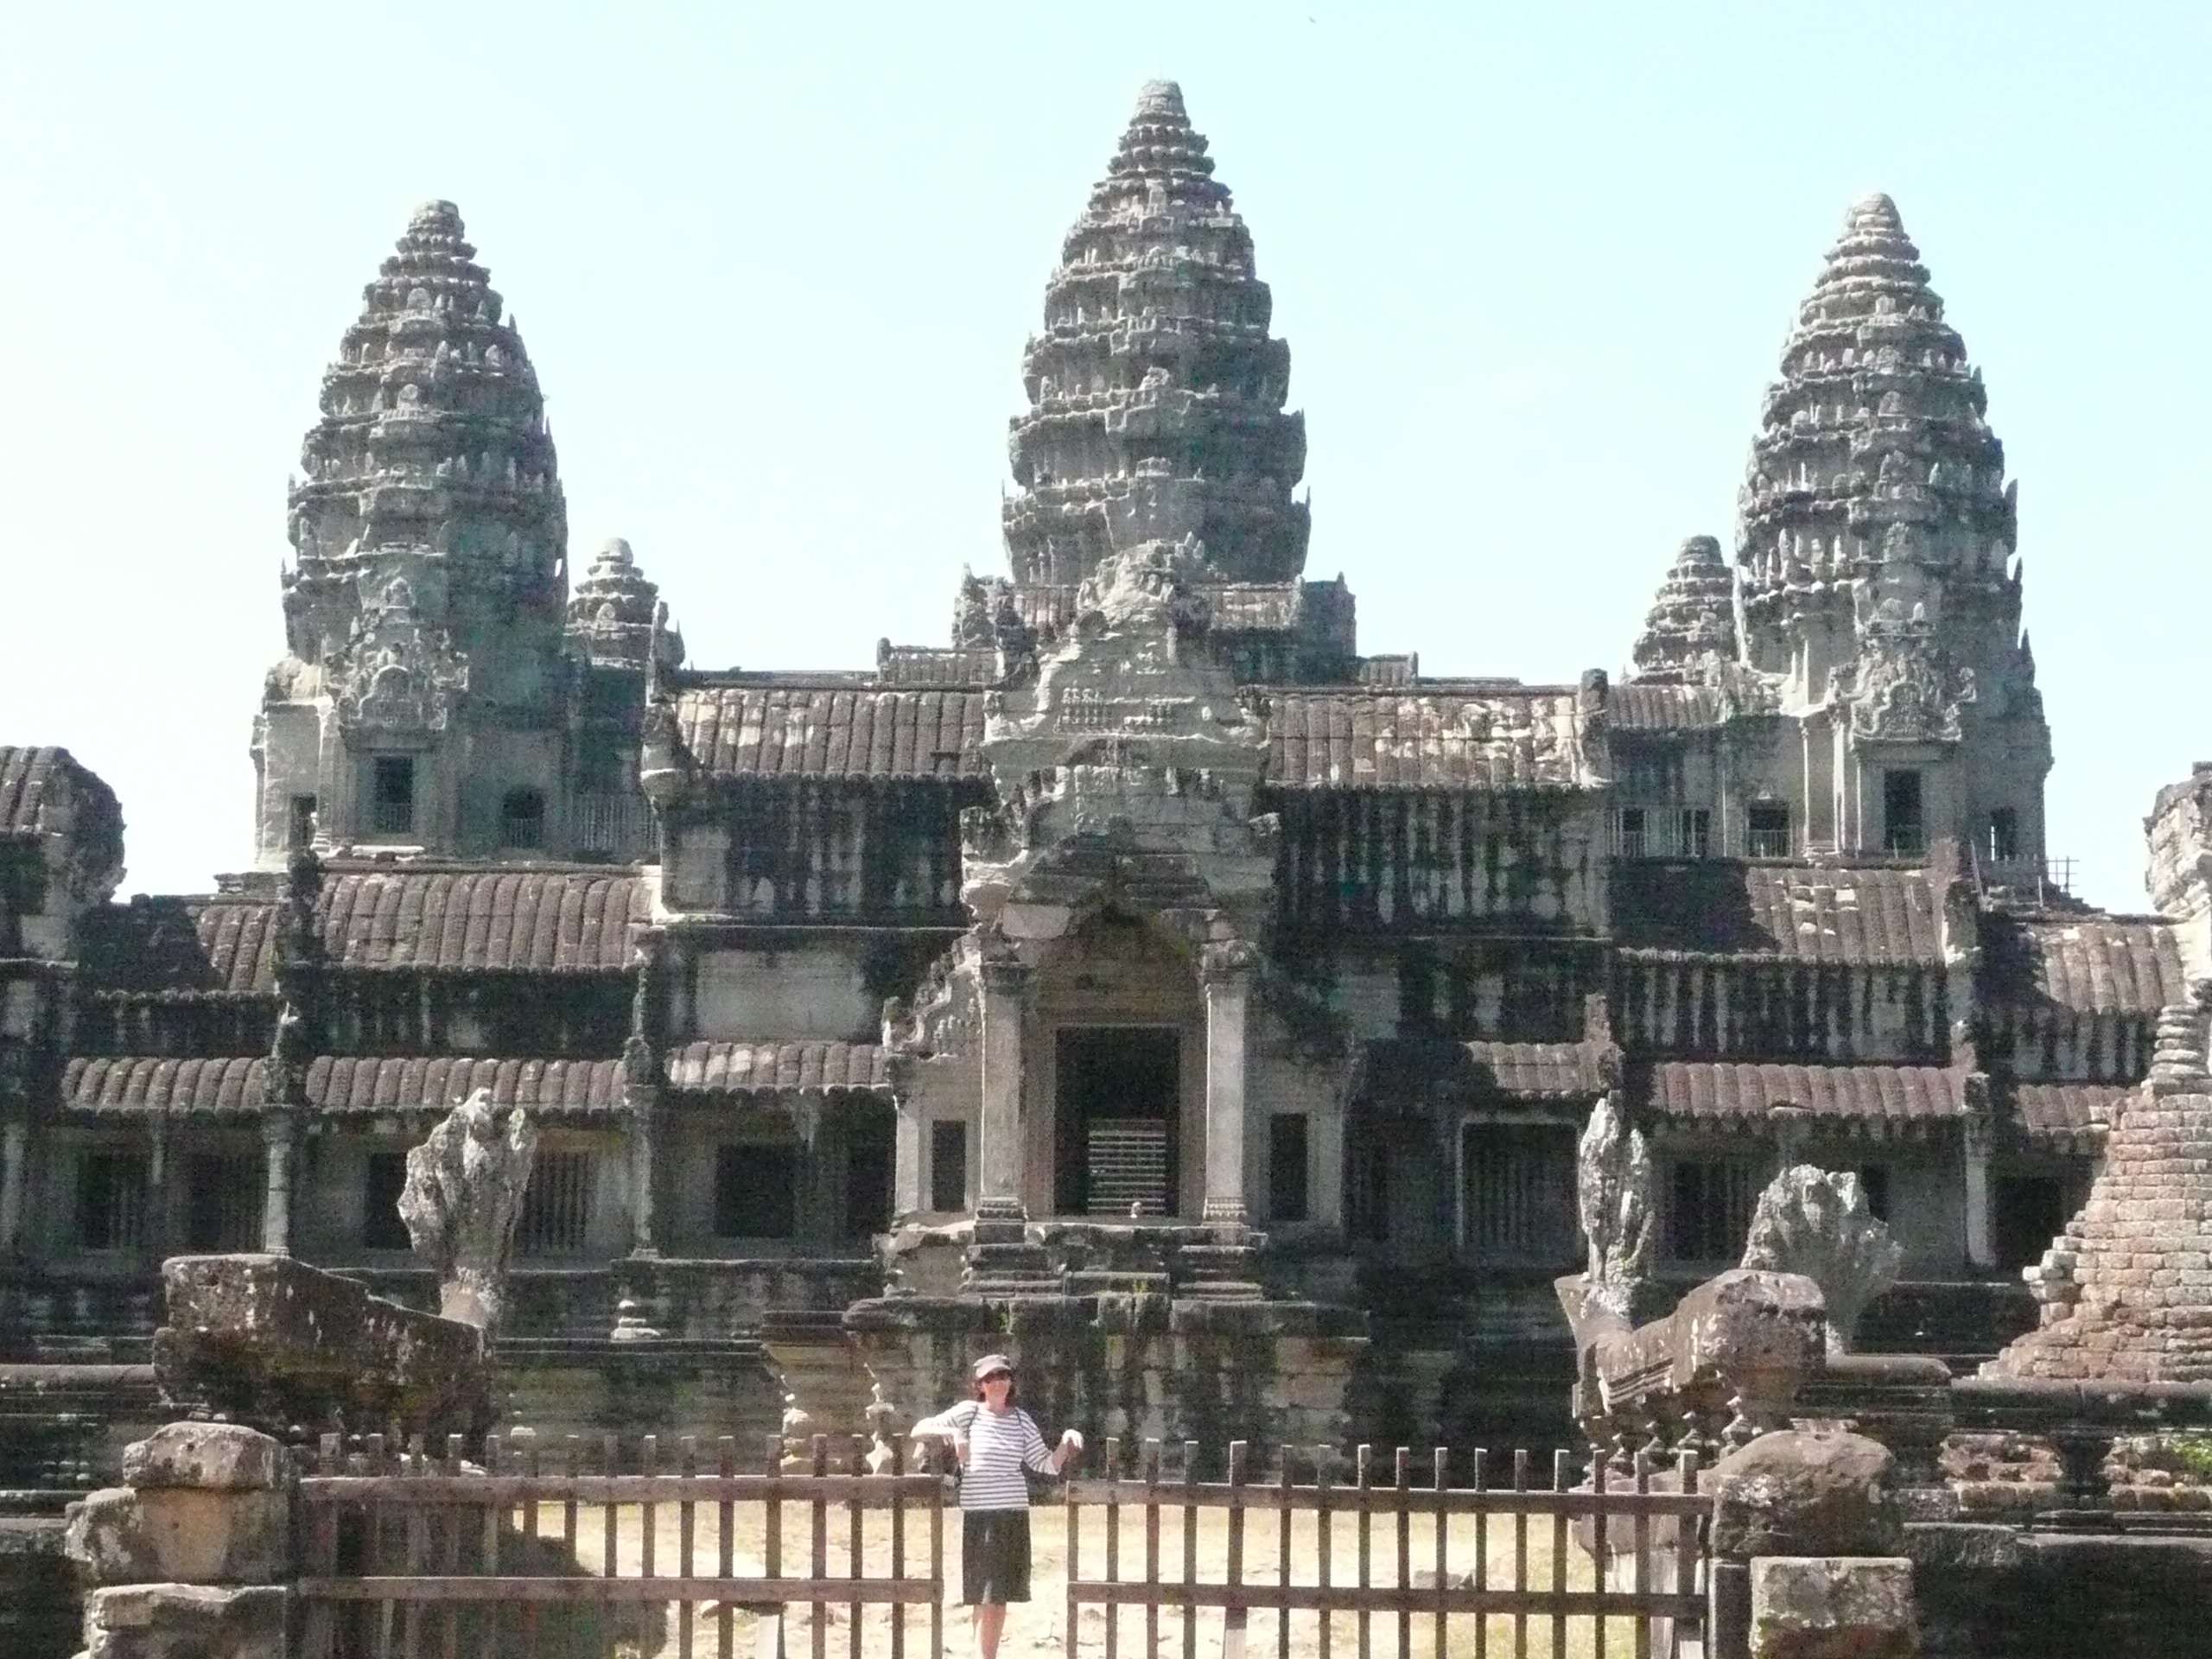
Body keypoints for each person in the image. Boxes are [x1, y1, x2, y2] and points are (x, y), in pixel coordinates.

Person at [910, 1353, 1083, 1659]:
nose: (998, 1382)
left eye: (1003, 1376)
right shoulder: (969, 1413)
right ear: (979, 1385)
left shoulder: (1020, 1419)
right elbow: (919, 1429)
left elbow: (1046, 1464)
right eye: (990, 1378)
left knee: (999, 1595)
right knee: (984, 1593)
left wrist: (1067, 1440)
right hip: (981, 1514)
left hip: (1013, 1513)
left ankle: (986, 1655)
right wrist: (954, 1433)